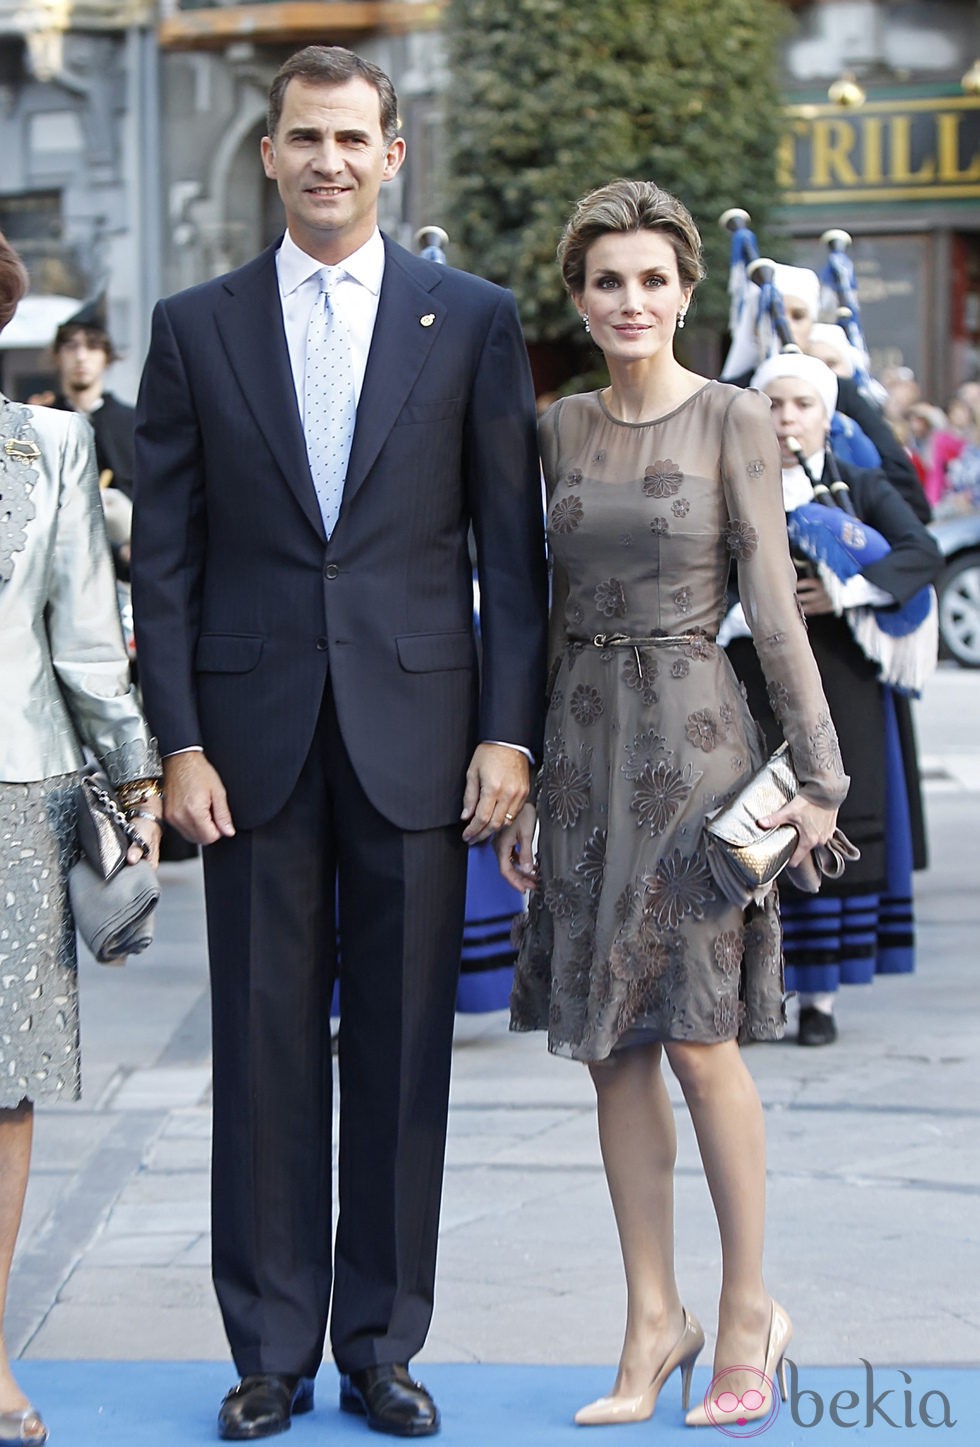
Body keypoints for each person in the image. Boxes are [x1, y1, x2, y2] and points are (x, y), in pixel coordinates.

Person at [130, 45, 547, 1442]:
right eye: (302, 137)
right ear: (269, 155)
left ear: (392, 153)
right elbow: (169, 562)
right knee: (258, 1053)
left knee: (405, 1052)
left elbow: (511, 549)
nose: (325, 160)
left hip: (423, 736)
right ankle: (266, 1347)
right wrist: (175, 741)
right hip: (245, 752)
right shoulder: (193, 326)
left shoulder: (471, 319)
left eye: (349, 138)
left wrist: (509, 731)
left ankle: (380, 1343)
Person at [495, 180, 848, 1432]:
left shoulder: (734, 420)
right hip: (584, 757)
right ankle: (654, 1316)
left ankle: (746, 1307)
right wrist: (526, 775)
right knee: (612, 1053)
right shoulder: (553, 431)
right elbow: (534, 620)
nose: (630, 301)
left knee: (702, 1040)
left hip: (699, 749)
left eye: (652, 279)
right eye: (607, 281)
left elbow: (769, 598)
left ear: (685, 291)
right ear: (579, 297)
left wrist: (817, 776)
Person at [0, 232, 162, 1447]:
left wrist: (136, 774)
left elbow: (86, 635)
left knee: (2, 1087)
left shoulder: (51, 443)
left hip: (15, 789)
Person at [725, 351, 941, 1045]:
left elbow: (921, 552)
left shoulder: (860, 483)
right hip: (748, 681)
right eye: (775, 404)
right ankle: (751, 991)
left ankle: (817, 999)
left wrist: (845, 589)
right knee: (752, 824)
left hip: (838, 681)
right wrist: (751, 603)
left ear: (826, 415)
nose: (787, 418)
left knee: (820, 826)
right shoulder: (729, 484)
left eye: (802, 405)